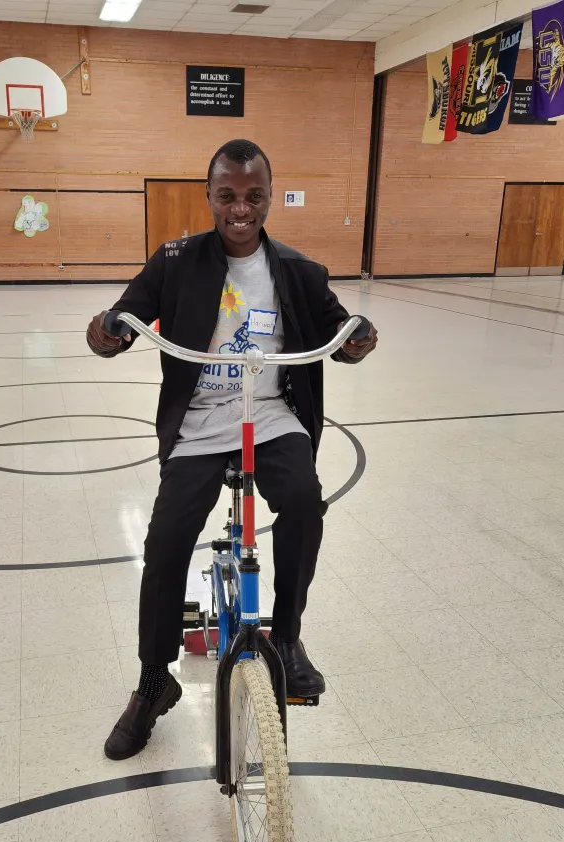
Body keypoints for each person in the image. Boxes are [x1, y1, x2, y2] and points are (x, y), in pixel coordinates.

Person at [87, 139, 378, 760]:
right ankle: (152, 679)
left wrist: (358, 339)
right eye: (227, 195)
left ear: (268, 198)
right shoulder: (175, 261)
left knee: (303, 501)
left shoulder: (298, 271)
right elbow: (126, 313)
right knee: (165, 542)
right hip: (198, 423)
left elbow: (342, 327)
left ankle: (290, 639)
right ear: (210, 196)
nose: (240, 209)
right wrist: (109, 330)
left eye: (253, 196)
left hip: (268, 414)